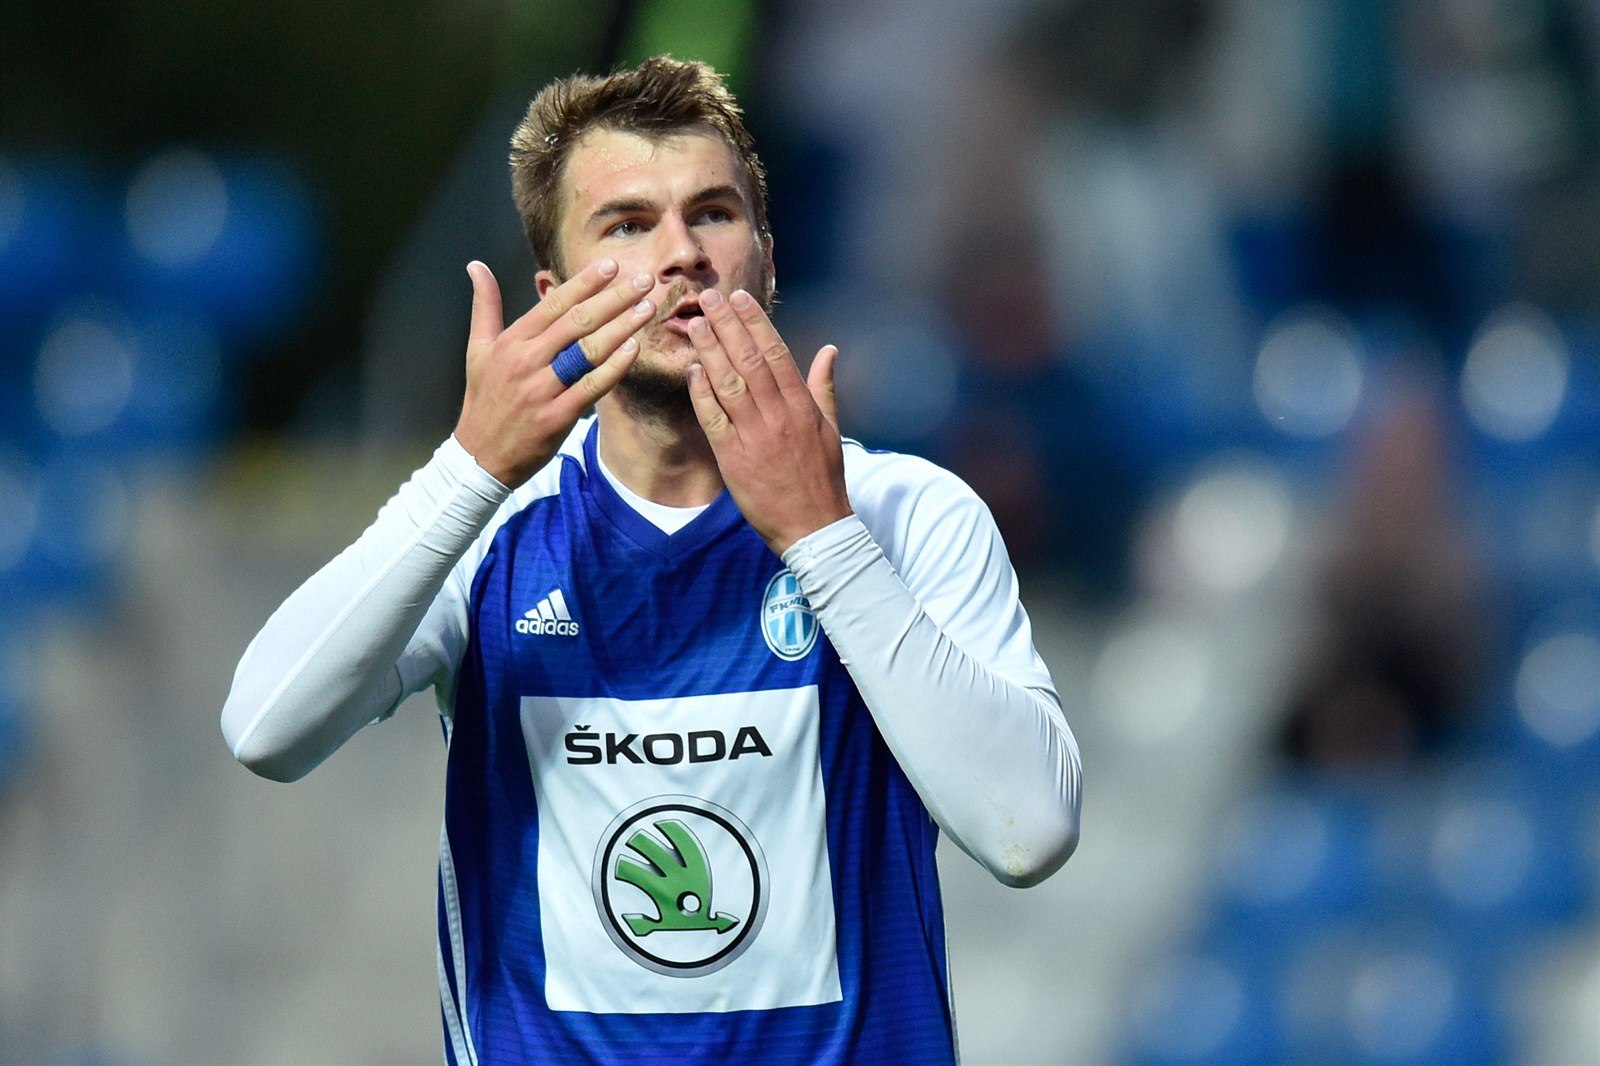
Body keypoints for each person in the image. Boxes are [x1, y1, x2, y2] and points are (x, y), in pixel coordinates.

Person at [221, 55, 1081, 1065]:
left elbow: (1031, 831)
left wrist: (821, 537)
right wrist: (469, 466)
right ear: (556, 296)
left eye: (713, 214)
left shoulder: (901, 512)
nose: (681, 255)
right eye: (628, 225)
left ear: (766, 260)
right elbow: (266, 730)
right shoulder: (491, 525)